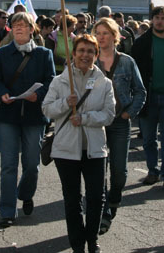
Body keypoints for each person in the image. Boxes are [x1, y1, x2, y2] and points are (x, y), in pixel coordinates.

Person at [42, 34, 115, 253]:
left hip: (95, 149)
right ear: (73, 54)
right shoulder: (60, 81)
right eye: (81, 50)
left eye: (90, 51)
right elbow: (46, 109)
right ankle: (77, 243)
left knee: (96, 198)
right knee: (72, 200)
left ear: (96, 54)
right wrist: (66, 103)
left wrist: (85, 118)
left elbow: (109, 114)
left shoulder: (104, 82)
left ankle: (91, 239)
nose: (85, 55)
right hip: (66, 150)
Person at [0, 12, 55, 227]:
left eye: (22, 25)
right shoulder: (2, 53)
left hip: (35, 116)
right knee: (8, 165)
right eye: (14, 25)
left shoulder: (44, 54)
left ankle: (26, 193)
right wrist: (1, 93)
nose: (18, 28)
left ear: (31, 29)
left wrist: (40, 94)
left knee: (32, 164)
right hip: (8, 115)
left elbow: (51, 80)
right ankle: (7, 211)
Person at [93, 18, 146, 234]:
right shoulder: (90, 61)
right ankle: (103, 213)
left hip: (119, 123)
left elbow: (140, 91)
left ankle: (114, 197)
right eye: (98, 33)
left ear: (115, 36)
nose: (101, 36)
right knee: (98, 172)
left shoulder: (126, 62)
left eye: (106, 33)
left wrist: (128, 113)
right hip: (95, 123)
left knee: (119, 172)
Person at [131, 6, 164, 187]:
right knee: (148, 138)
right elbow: (134, 72)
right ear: (152, 20)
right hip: (148, 95)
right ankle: (153, 170)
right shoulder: (141, 43)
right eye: (157, 18)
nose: (160, 21)